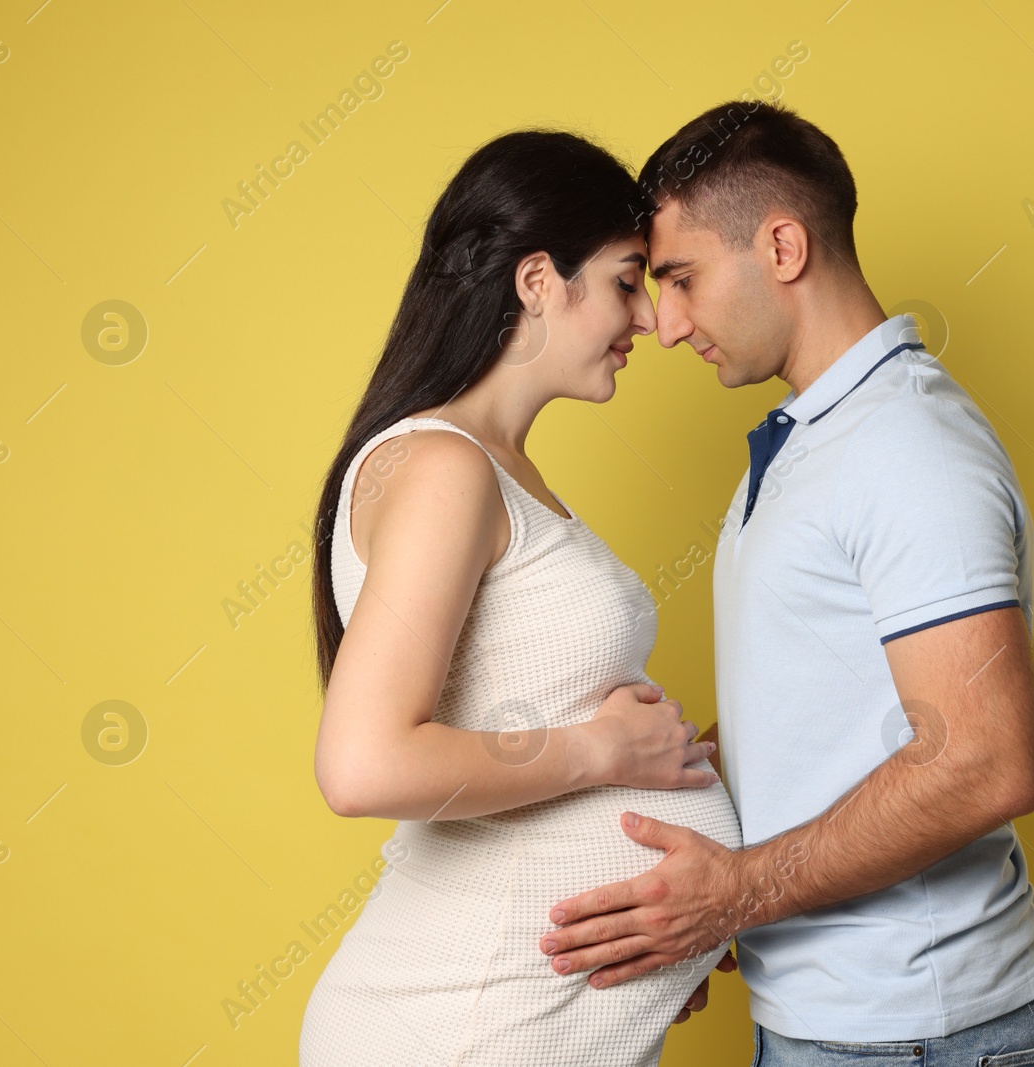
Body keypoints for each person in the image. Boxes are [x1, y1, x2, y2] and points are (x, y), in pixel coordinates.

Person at [536, 101, 1034, 1066]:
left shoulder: (908, 449)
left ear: (782, 245)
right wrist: (692, 885)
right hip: (841, 1022)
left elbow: (988, 759)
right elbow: (828, 730)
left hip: (914, 1031)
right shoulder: (806, 440)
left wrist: (738, 891)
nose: (667, 324)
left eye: (683, 278)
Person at [298, 129, 741, 1067]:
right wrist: (604, 748)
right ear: (539, 279)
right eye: (627, 280)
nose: (652, 322)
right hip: (458, 1027)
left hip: (513, 1018)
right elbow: (364, 763)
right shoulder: (443, 468)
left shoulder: (494, 472)